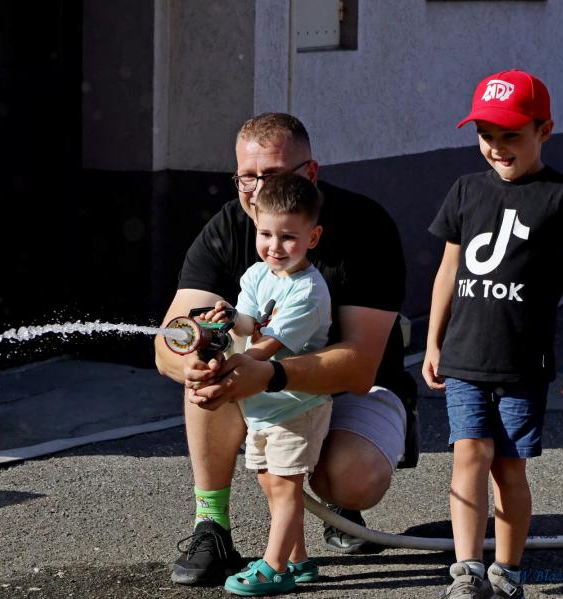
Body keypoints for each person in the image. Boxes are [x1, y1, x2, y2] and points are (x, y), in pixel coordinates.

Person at [155, 112, 418, 586]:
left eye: (272, 175)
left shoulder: (365, 226)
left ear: (310, 173)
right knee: (208, 373)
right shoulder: (228, 227)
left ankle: (325, 514)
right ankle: (211, 525)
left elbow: (360, 366)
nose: (257, 192)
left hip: (356, 388)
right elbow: (169, 338)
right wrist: (190, 361)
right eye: (246, 177)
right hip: (266, 380)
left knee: (351, 477)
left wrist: (270, 374)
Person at [422, 69, 563, 599]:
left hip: (524, 361)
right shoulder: (465, 189)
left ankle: (507, 572)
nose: (497, 147)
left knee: (508, 469)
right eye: (486, 135)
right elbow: (448, 271)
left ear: (544, 130)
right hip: (464, 357)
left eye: (511, 135)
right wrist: (432, 341)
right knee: (468, 454)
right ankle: (466, 570)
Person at [200, 173, 332, 595]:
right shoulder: (259, 274)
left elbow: (267, 346)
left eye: (288, 237)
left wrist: (228, 367)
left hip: (296, 406)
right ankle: (298, 560)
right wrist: (228, 318)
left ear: (313, 237)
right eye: (266, 234)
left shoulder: (309, 292)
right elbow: (249, 322)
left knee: (286, 487)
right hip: (262, 407)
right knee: (269, 482)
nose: (275, 247)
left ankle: (274, 567)